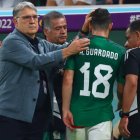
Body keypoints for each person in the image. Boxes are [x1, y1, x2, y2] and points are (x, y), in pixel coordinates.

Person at [0, 2, 90, 140]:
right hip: (14, 116)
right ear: (15, 21)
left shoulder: (41, 43)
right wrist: (68, 50)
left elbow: (67, 48)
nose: (32, 21)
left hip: (36, 116)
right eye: (26, 17)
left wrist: (83, 32)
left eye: (34, 17)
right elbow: (35, 61)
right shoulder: (12, 41)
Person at [62, 8, 126, 140]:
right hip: (102, 115)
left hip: (76, 115)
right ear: (111, 26)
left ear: (90, 25)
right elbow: (121, 88)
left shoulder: (76, 46)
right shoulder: (120, 51)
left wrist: (65, 109)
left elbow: (68, 79)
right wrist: (121, 102)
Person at [42, 11, 67, 140]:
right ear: (46, 31)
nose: (63, 31)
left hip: (67, 119)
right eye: (58, 28)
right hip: (43, 120)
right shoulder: (37, 52)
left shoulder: (72, 53)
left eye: (65, 27)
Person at [119, 20, 140, 140]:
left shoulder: (132, 54)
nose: (126, 44)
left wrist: (125, 115)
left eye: (128, 38)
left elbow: (131, 83)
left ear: (138, 35)